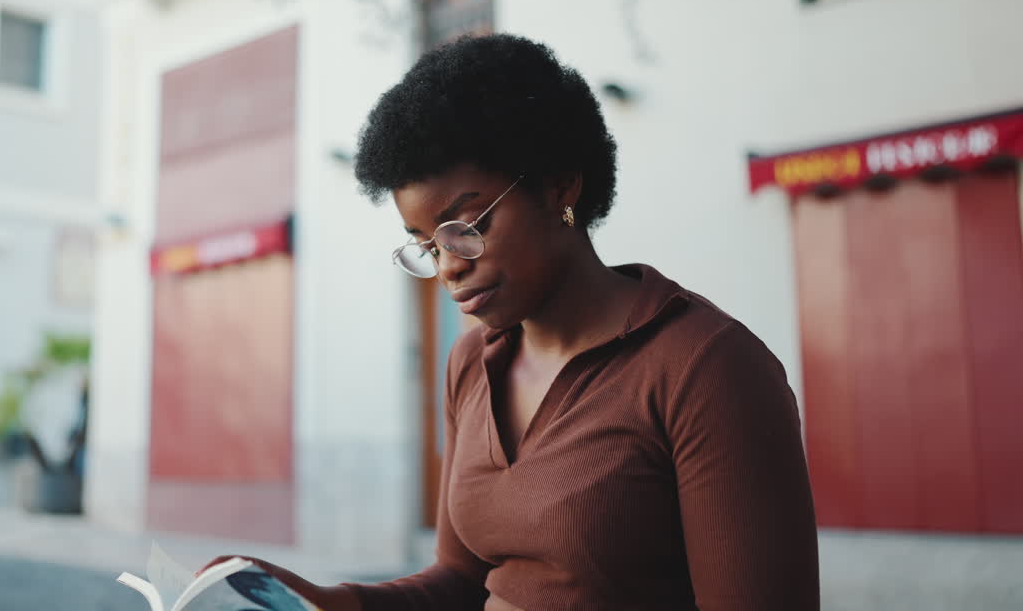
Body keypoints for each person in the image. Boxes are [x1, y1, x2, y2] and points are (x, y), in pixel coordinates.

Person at [203, 34, 820, 610]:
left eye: (465, 229)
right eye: (425, 244)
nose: (447, 267)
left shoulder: (706, 370)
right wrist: (329, 600)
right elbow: (463, 581)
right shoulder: (472, 362)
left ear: (560, 188)